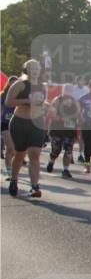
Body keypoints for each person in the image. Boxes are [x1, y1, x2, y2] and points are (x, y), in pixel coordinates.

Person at [5, 59, 47, 197]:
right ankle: (14, 180)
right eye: (32, 68)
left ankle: (34, 186)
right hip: (20, 122)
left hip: (37, 123)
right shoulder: (19, 84)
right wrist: (26, 101)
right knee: (20, 153)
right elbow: (8, 102)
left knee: (34, 154)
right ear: (26, 70)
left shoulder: (43, 86)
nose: (34, 71)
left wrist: (46, 106)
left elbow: (42, 103)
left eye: (37, 68)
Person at [46, 84, 80, 179]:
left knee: (68, 150)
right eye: (66, 91)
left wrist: (79, 122)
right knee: (56, 150)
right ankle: (51, 161)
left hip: (70, 130)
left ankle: (65, 170)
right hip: (57, 130)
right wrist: (61, 118)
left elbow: (78, 114)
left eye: (70, 91)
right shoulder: (57, 100)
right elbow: (51, 115)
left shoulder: (75, 102)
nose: (68, 93)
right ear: (62, 91)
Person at [78, 80, 91, 174]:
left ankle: (86, 158)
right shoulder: (83, 98)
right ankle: (87, 165)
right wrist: (81, 118)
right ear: (89, 88)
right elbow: (78, 110)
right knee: (87, 144)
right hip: (86, 124)